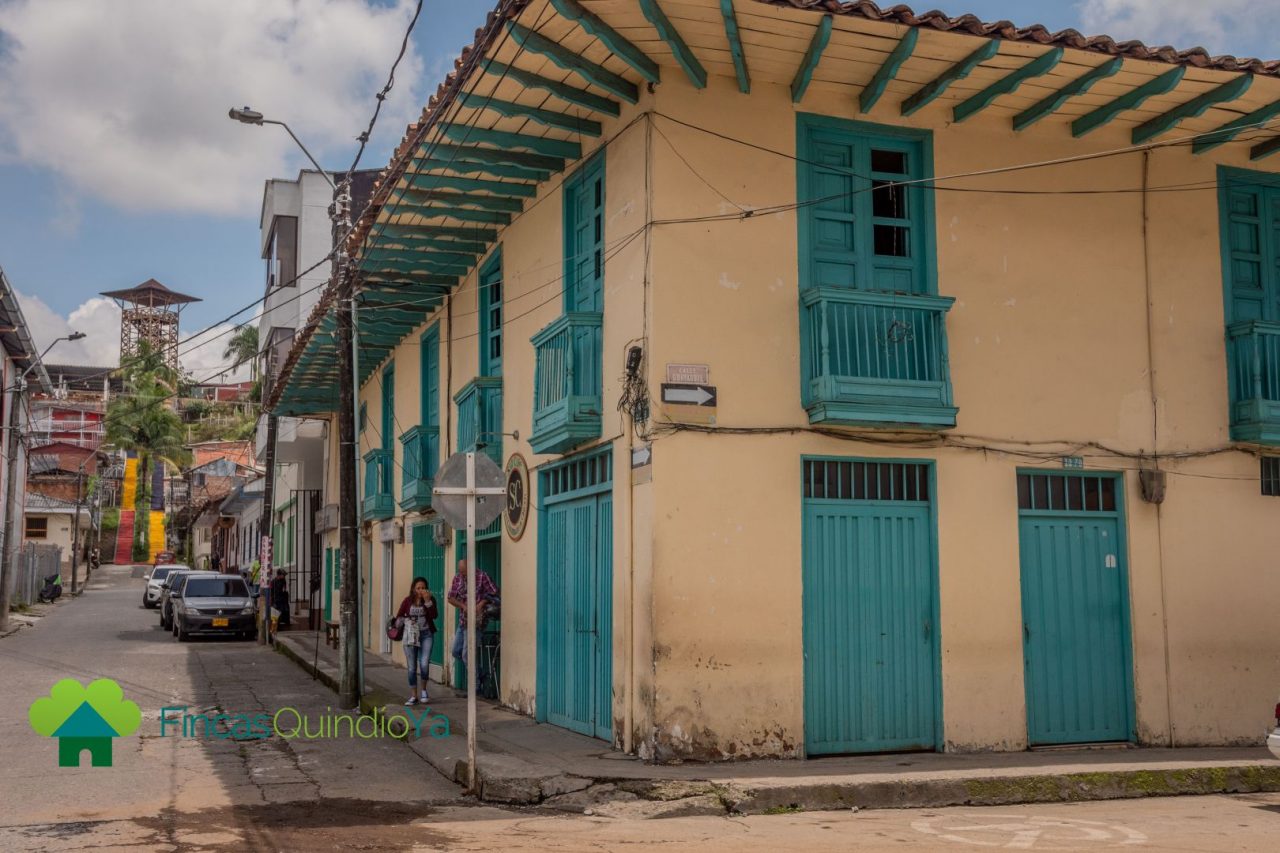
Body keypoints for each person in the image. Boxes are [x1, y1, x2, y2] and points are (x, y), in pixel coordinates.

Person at [447, 558, 498, 670]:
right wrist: (463, 606)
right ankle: (479, 673)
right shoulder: (458, 578)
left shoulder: (482, 576)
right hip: (463, 620)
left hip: (477, 621)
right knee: (456, 651)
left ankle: (476, 683)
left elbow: (494, 593)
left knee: (467, 654)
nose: (462, 574)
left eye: (464, 572)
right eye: (460, 571)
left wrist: (482, 603)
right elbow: (450, 598)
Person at [394, 577, 438, 706]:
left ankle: (424, 691)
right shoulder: (407, 601)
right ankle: (414, 695)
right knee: (412, 667)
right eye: (418, 588)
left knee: (424, 663)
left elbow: (435, 615)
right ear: (413, 589)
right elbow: (399, 617)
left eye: (423, 588)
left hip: (426, 635)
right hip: (410, 636)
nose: (421, 590)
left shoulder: (430, 599)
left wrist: (428, 601)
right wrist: (405, 620)